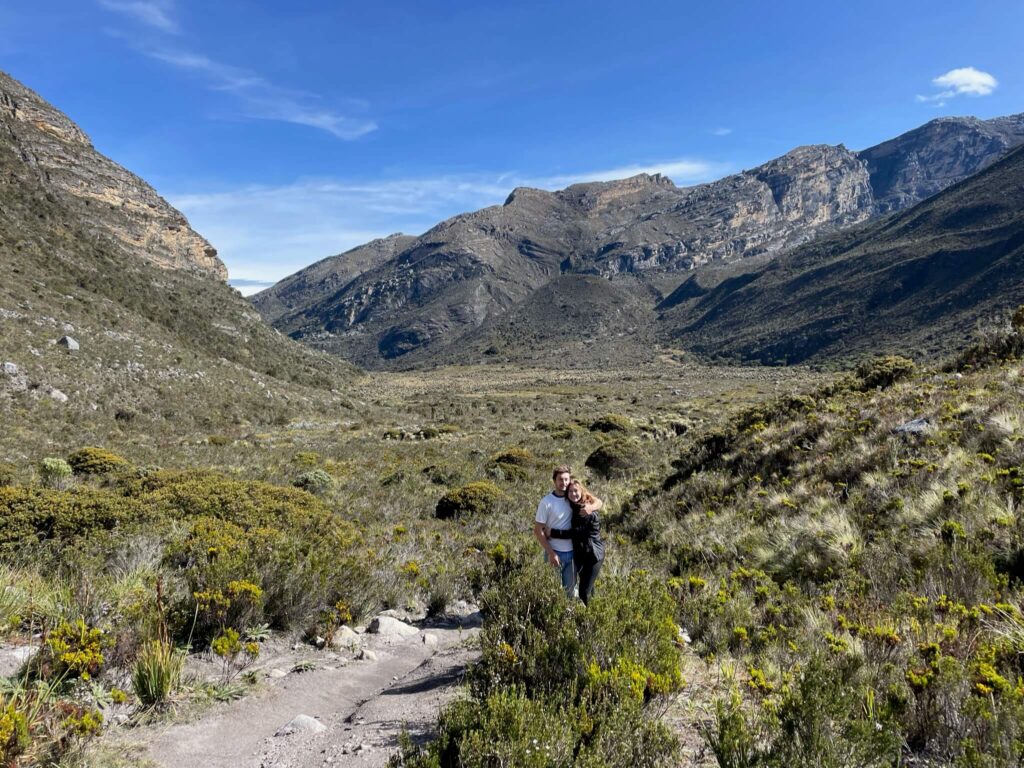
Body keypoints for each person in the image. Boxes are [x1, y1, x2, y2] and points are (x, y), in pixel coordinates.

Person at [534, 465, 577, 596]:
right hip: (554, 554)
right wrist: (551, 553)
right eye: (560, 479)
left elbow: (597, 502)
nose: (564, 483)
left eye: (566, 479)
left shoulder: (574, 498)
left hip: (572, 555)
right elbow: (538, 530)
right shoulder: (546, 502)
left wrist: (591, 507)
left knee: (570, 593)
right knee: (552, 594)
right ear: (554, 481)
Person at [567, 479, 604, 605]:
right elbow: (598, 501)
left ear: (581, 491)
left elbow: (575, 533)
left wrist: (553, 532)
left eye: (575, 491)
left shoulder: (585, 509)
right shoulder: (574, 506)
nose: (573, 494)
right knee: (589, 589)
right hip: (582, 554)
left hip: (593, 555)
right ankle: (595, 611)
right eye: (570, 491)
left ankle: (590, 616)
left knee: (584, 592)